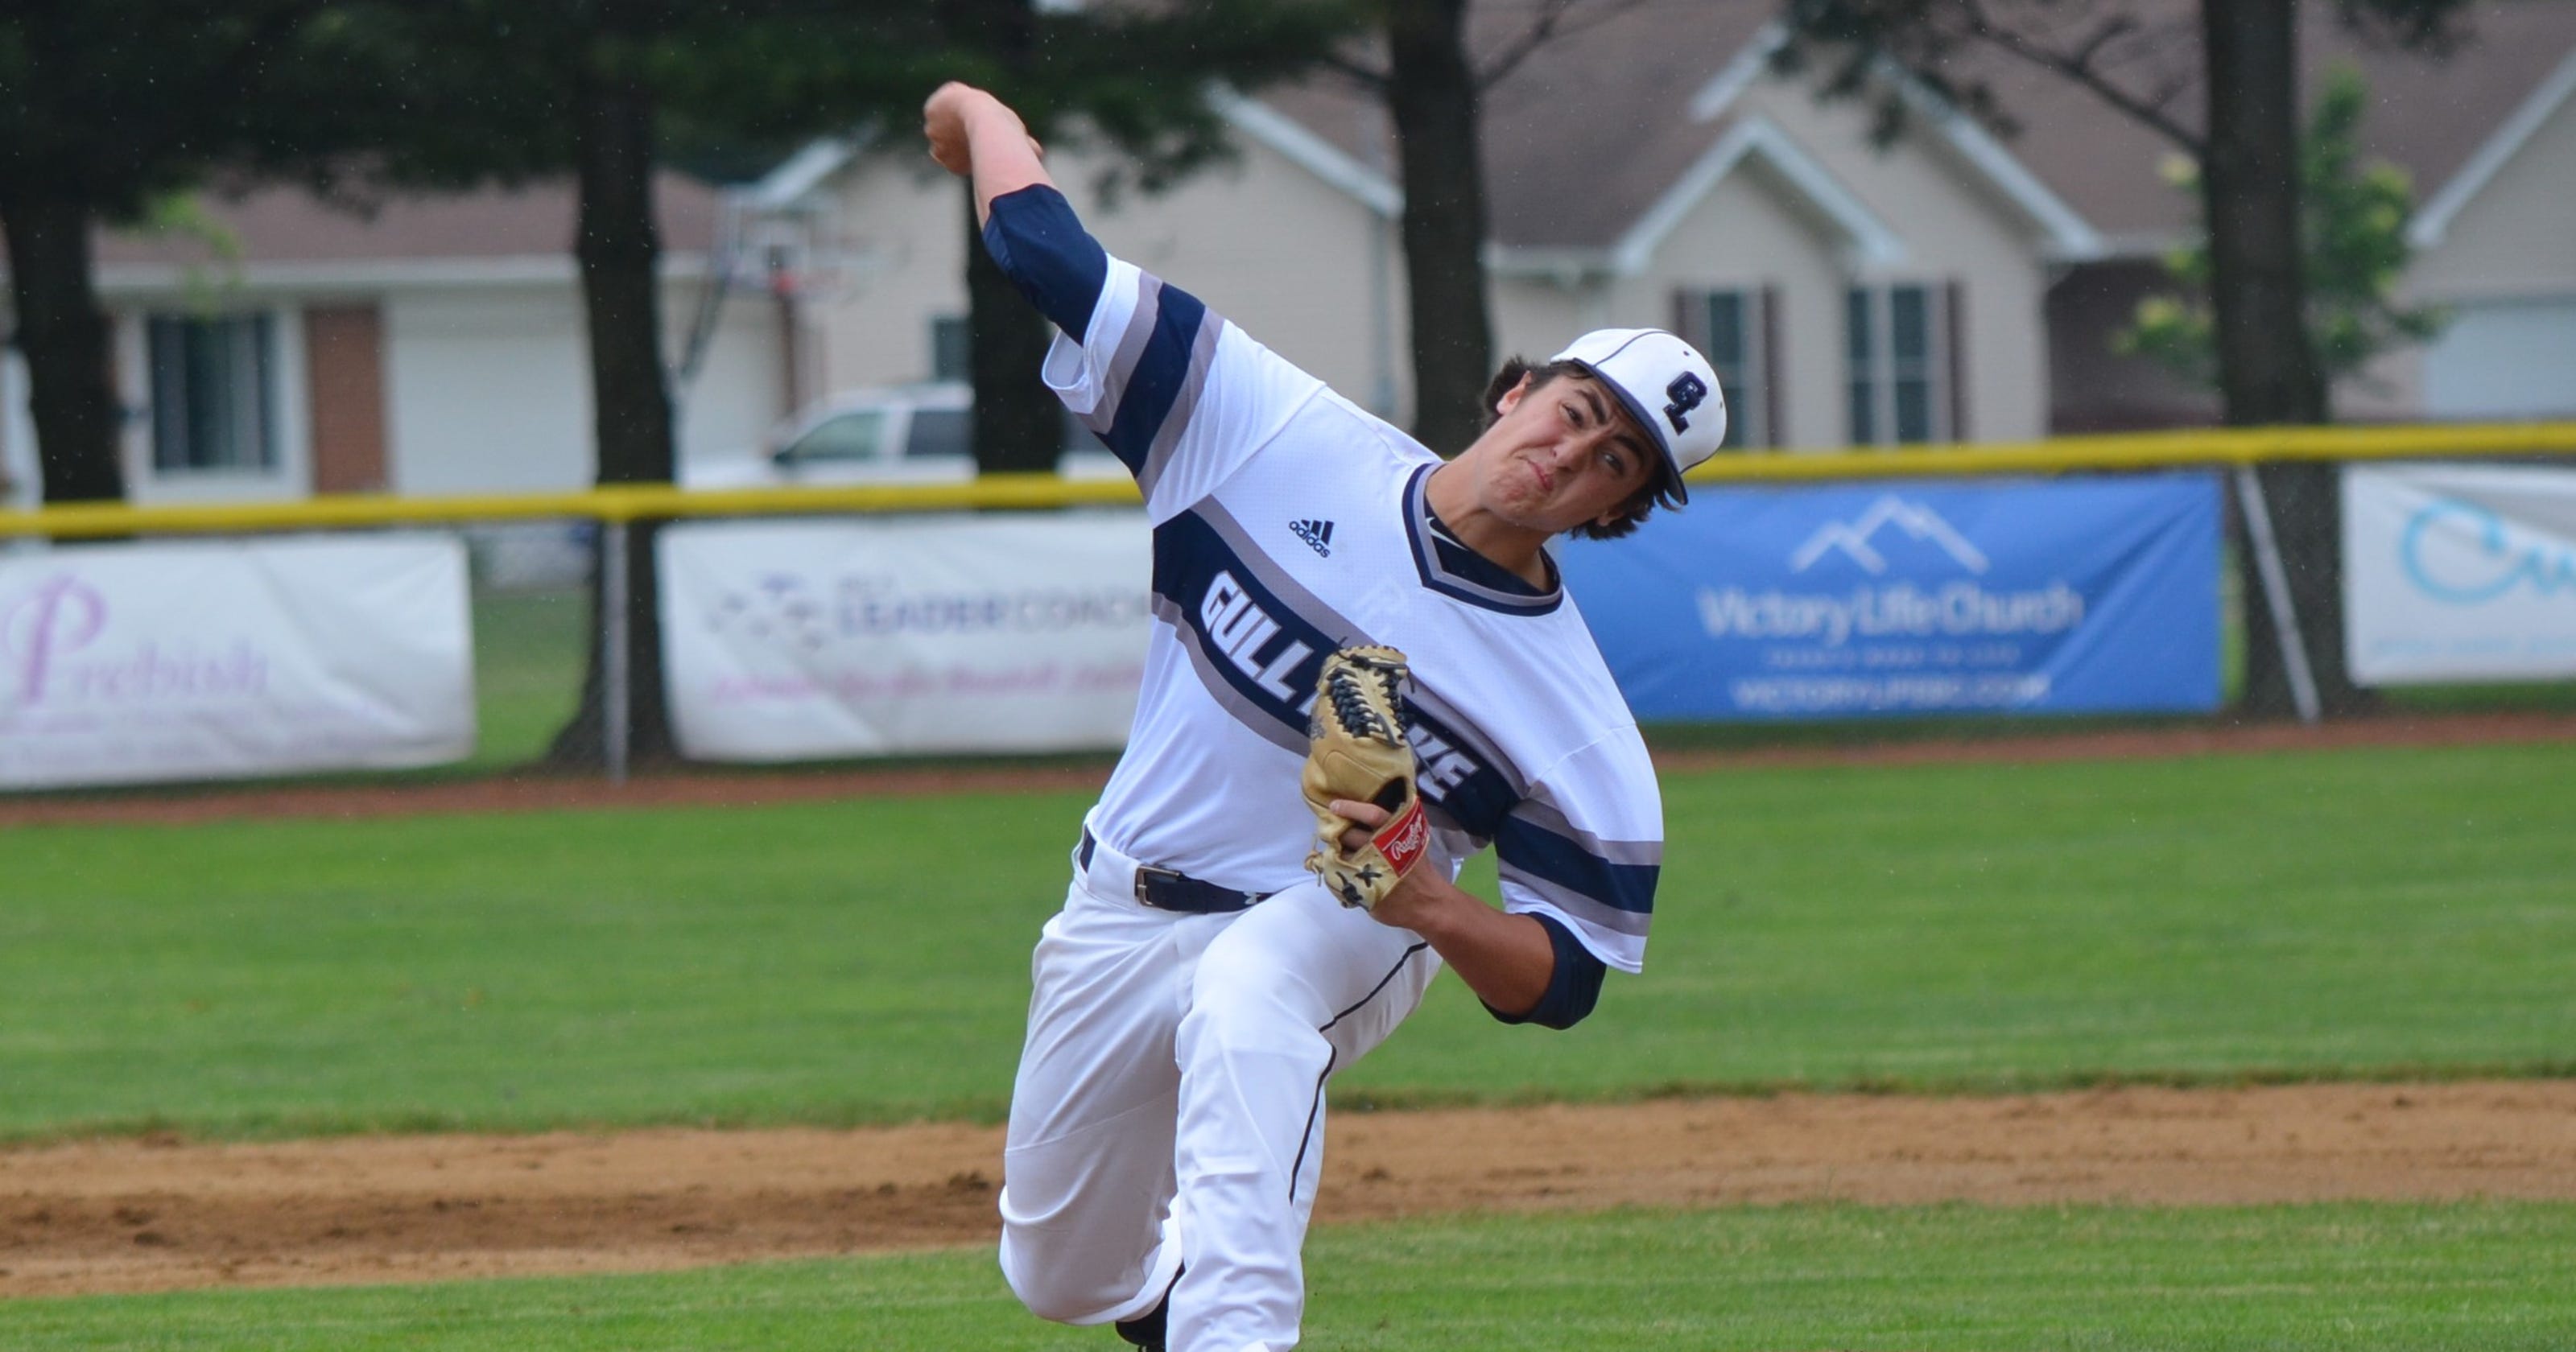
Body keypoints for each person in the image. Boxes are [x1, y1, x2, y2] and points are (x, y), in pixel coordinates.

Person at [923, 80, 1727, 1352]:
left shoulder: (1573, 719)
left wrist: (1433, 909)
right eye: (1580, 413)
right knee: (1062, 1276)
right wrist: (976, 110)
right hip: (1118, 903)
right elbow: (1042, 252)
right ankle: (1177, 1292)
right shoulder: (1269, 432)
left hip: (1342, 922)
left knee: (1250, 992)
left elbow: (1564, 983)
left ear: (1613, 514)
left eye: (1617, 462)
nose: (1576, 456)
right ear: (1517, 391)